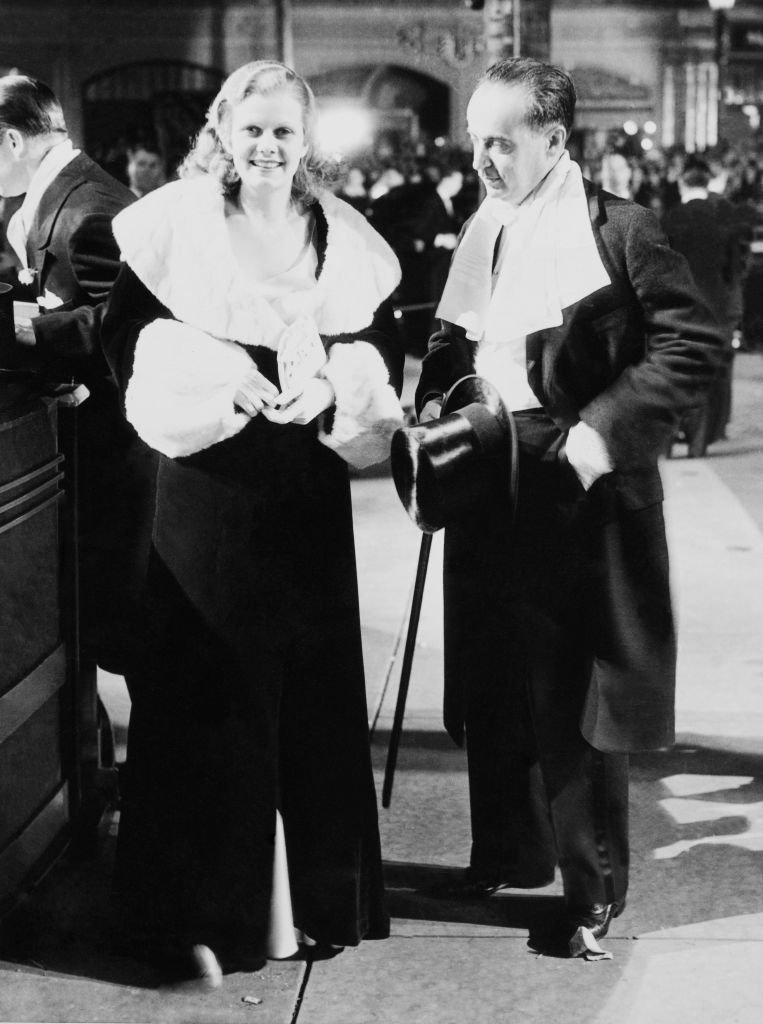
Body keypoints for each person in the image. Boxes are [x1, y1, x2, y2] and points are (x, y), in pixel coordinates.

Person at [99, 60, 404, 987]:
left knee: (308, 694)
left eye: (284, 132)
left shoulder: (341, 234)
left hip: (303, 491)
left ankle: (312, 903)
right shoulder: (171, 225)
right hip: (206, 492)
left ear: (306, 142)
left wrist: (333, 380)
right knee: (203, 694)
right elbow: (124, 340)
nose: (268, 147)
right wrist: (210, 373)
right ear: (223, 132)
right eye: (253, 129)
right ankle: (196, 914)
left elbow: (376, 341)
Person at [414, 58, 724, 958]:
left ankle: (591, 887)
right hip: (485, 473)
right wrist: (432, 413)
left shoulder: (622, 230)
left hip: (576, 484)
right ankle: (505, 851)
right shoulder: (483, 223)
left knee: (575, 698)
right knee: (490, 674)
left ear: (554, 139)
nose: (482, 157)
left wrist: (601, 434)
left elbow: (691, 341)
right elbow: (452, 338)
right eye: (475, 137)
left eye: (501, 141)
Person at [0, 76, 152, 709]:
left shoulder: (89, 207)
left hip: (115, 458)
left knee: (131, 635)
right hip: (91, 453)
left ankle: (159, 787)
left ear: (10, 139)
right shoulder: (61, 192)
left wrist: (27, 328)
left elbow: (119, 325)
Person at [662, 157, 751, 455]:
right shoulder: (722, 219)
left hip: (679, 307)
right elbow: (735, 268)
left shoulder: (670, 219)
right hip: (716, 306)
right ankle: (704, 439)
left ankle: (670, 439)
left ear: (681, 183)